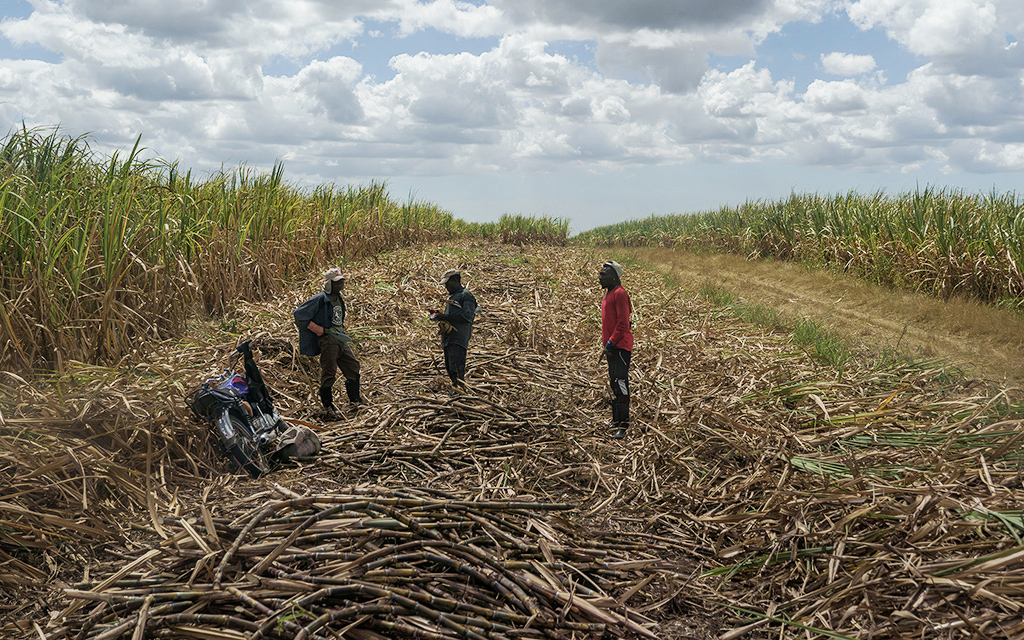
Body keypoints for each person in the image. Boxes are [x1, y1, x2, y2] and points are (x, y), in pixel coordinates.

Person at [294, 268, 362, 418]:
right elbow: (299, 315)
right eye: (337, 283)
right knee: (329, 370)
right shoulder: (320, 298)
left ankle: (355, 400)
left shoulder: (338, 297)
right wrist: (318, 329)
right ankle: (328, 405)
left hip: (340, 338)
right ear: (329, 284)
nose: (341, 285)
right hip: (328, 340)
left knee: (353, 366)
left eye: (341, 282)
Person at [599, 260, 634, 439]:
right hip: (612, 347)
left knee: (620, 383)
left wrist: (611, 343)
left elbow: (623, 324)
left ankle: (624, 424)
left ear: (614, 277)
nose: (600, 277)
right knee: (614, 382)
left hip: (620, 346)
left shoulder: (620, 294)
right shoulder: (609, 293)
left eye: (604, 275)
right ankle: (616, 420)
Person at [429, 269, 477, 388]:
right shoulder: (454, 296)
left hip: (458, 339)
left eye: (447, 283)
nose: (446, 287)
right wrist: (439, 315)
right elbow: (452, 317)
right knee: (450, 368)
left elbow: (467, 317)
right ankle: (456, 390)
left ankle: (459, 391)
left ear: (455, 280)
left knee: (456, 368)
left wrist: (445, 316)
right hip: (449, 339)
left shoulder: (466, 295)